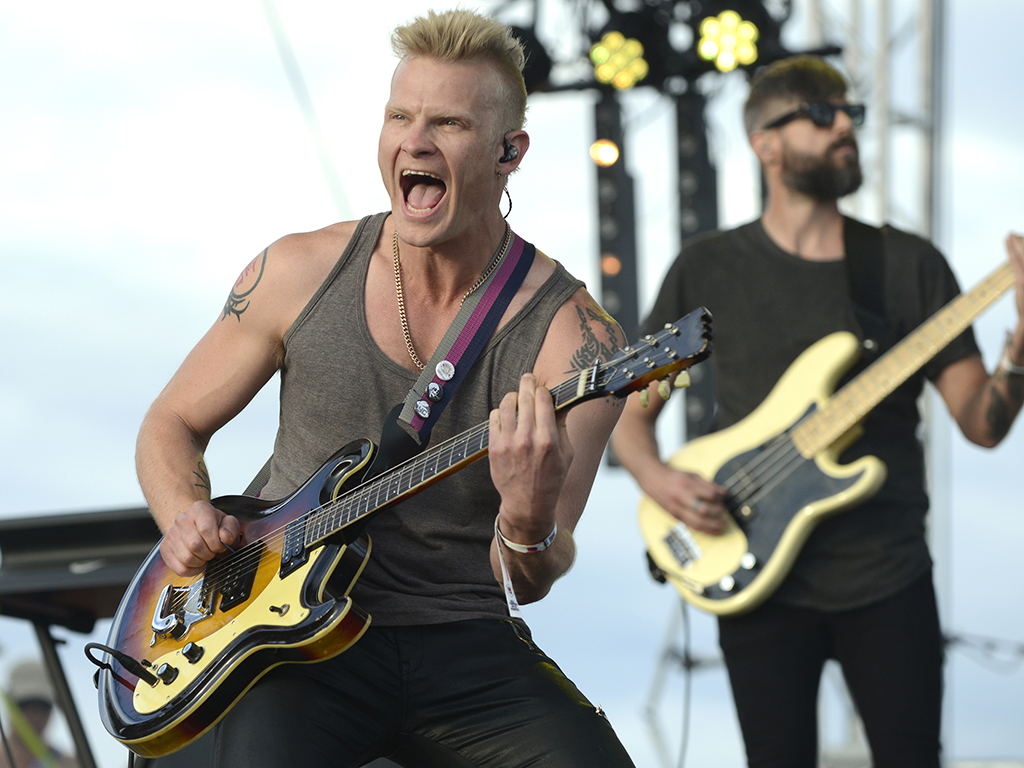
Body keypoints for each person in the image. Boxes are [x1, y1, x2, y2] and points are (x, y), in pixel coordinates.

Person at [135, 8, 635, 768]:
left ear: (510, 152)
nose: (416, 140)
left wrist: (529, 519)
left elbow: (527, 578)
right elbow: (169, 421)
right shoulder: (298, 270)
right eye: (399, 115)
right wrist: (183, 516)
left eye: (449, 123)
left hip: (461, 638)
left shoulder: (577, 339)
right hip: (291, 638)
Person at [611, 54, 1024, 768]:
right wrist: (659, 480)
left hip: (887, 574)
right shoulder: (708, 267)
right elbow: (626, 412)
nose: (847, 129)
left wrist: (1018, 349)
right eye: (824, 113)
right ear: (765, 143)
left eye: (852, 115)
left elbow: (982, 424)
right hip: (752, 577)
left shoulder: (908, 264)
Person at [0, 660, 77, 768]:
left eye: (43, 707)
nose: (35, 717)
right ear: (10, 706)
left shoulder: (70, 764)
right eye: (25, 706)